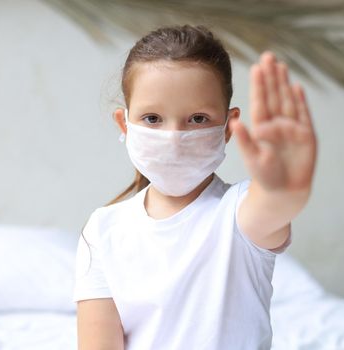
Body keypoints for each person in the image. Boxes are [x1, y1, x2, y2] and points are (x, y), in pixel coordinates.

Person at [73, 24, 317, 350]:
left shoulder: (239, 211)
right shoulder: (103, 230)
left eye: (198, 118)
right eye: (153, 118)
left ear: (228, 127)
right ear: (125, 124)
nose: (174, 137)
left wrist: (286, 185)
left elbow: (274, 205)